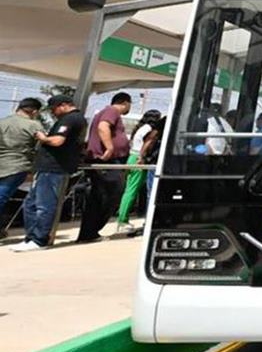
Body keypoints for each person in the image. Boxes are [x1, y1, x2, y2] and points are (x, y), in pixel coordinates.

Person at [11, 95, 87, 252]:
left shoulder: (70, 119)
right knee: (30, 204)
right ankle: (31, 238)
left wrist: (43, 138)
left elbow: (58, 141)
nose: (53, 113)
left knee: (43, 205)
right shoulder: (75, 119)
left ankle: (39, 239)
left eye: (54, 109)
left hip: (53, 168)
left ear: (63, 105)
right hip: (48, 168)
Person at [76, 92, 133, 243]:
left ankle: (90, 232)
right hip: (107, 161)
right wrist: (109, 147)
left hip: (110, 161)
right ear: (125, 103)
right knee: (108, 195)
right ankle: (90, 232)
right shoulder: (112, 111)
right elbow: (103, 126)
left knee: (102, 196)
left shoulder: (107, 112)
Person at [115, 110, 162, 234]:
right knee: (132, 190)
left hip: (132, 157)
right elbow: (148, 143)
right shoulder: (150, 130)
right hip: (138, 159)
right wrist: (142, 157)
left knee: (129, 189)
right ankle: (122, 220)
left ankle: (122, 218)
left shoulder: (141, 128)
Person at [0, 98, 48, 212]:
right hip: (18, 166)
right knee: (2, 197)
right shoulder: (34, 125)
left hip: (1, 164)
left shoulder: (2, 122)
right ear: (35, 111)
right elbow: (42, 145)